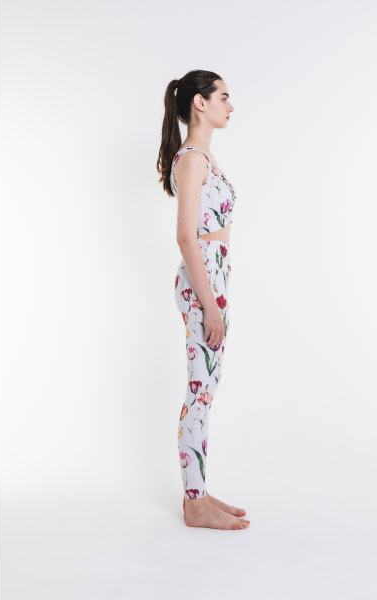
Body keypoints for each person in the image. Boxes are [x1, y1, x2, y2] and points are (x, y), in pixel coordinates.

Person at [157, 70, 250, 530]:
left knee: (205, 389)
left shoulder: (203, 157)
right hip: (203, 285)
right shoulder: (192, 160)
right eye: (223, 97)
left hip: (214, 278)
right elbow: (186, 237)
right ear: (200, 102)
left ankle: (199, 491)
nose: (230, 106)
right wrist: (210, 305)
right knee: (200, 390)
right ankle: (194, 504)